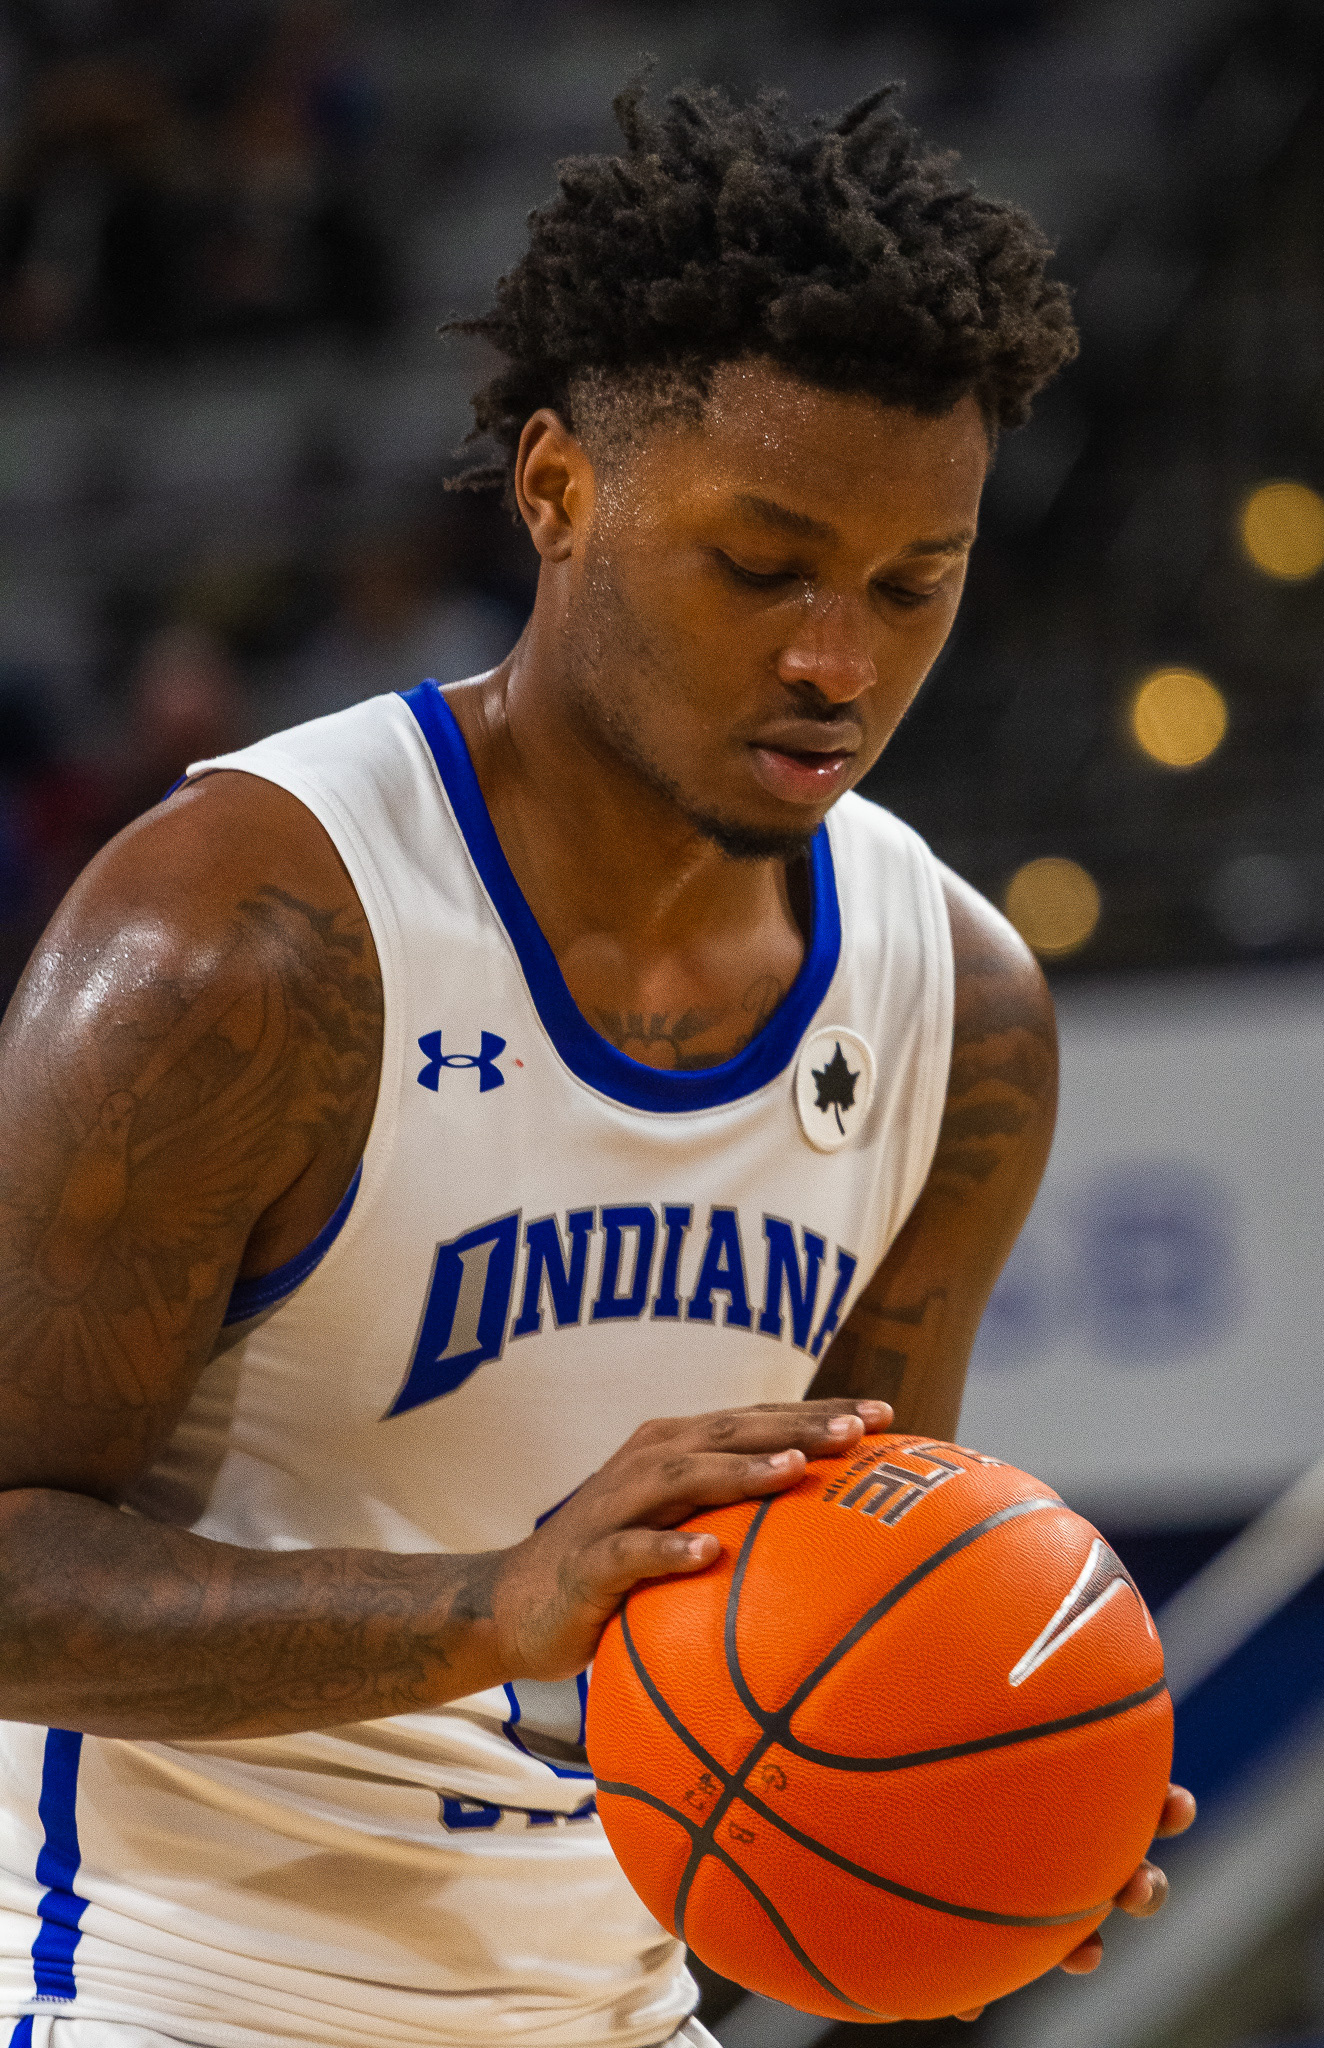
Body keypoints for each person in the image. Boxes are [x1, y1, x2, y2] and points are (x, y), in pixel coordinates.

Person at [0, 79, 1193, 2048]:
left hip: (613, 2003)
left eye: (912, 585)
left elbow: (829, 1598)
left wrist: (977, 1801)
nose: (836, 660)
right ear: (554, 490)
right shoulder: (241, 942)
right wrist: (490, 1606)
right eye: (761, 565)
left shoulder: (957, 1010)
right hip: (156, 1982)